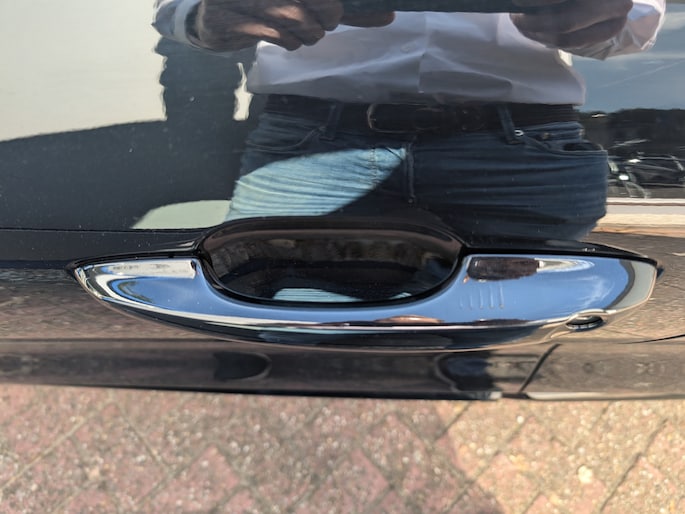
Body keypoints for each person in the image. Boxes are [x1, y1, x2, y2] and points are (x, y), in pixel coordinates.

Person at [153, 0, 666, 242]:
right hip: (309, 144)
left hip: (524, 150)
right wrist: (198, 17)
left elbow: (636, 14)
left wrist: (604, 17)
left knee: (500, 337)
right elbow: (184, 8)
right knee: (282, 321)